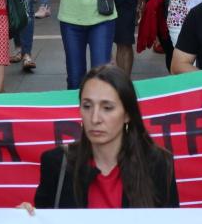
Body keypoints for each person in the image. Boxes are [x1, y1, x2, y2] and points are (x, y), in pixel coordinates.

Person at [27, 65, 178, 209]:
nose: (95, 119)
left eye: (107, 108)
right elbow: (43, 217)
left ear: (127, 114)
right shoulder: (56, 163)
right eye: (87, 106)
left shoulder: (159, 164)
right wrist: (26, 218)